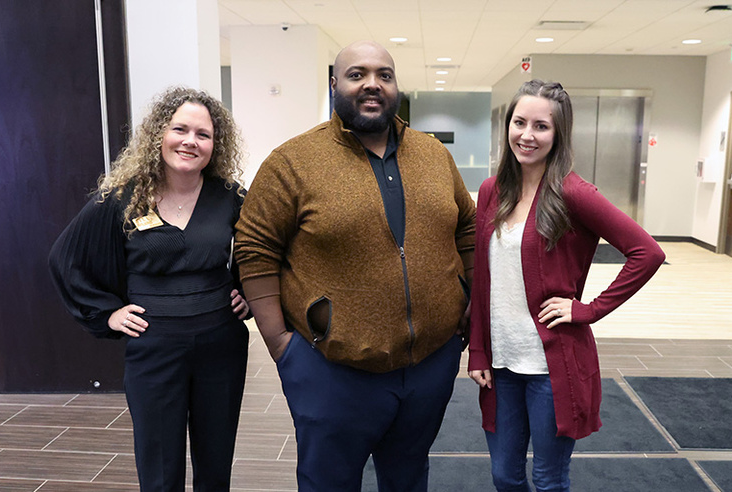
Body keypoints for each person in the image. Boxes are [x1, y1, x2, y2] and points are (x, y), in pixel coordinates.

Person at [234, 40, 476, 491]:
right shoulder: (293, 162)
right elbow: (254, 248)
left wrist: (470, 300)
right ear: (334, 85)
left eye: (384, 75)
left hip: (430, 365)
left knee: (408, 476)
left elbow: (467, 228)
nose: (372, 84)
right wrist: (280, 344)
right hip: (331, 371)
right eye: (357, 74)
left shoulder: (432, 155)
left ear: (396, 86)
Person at [49, 87, 251, 492]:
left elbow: (259, 249)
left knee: (216, 463)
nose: (190, 142)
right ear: (160, 134)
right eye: (180, 129)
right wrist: (107, 313)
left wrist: (247, 291)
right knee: (159, 467)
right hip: (154, 346)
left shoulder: (229, 197)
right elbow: (65, 258)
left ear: (216, 144)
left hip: (221, 344)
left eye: (203, 134)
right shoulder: (123, 197)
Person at [467, 79, 665, 491]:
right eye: (519, 122)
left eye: (541, 126)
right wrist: (479, 351)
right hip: (501, 365)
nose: (527, 135)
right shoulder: (492, 191)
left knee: (548, 480)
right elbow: (482, 279)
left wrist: (587, 309)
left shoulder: (573, 193)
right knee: (504, 475)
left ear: (558, 134)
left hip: (550, 367)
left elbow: (647, 253)